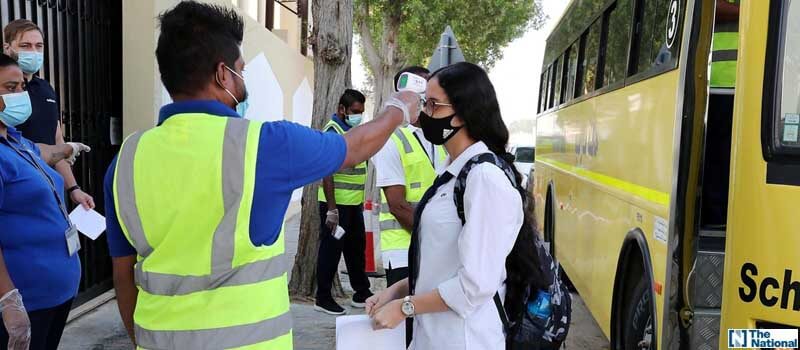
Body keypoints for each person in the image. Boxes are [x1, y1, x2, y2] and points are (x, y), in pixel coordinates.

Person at [103, 2, 420, 349]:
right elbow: (354, 147)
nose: (243, 79)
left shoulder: (126, 160)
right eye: (241, 69)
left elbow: (123, 275)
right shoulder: (265, 145)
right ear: (223, 75)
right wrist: (398, 109)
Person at [366, 62, 529, 349]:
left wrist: (405, 307)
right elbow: (440, 265)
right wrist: (396, 290)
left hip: (465, 339)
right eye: (423, 104)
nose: (423, 114)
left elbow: (474, 286)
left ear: (463, 113)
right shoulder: (452, 172)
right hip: (432, 336)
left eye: (432, 105)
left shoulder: (485, 179)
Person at [0, 53, 90, 350]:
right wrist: (7, 299)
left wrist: (66, 149)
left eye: (21, 87)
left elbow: (41, 152)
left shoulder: (13, 139)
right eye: (10, 88)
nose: (20, 95)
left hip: (56, 294)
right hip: (27, 301)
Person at [3, 20, 94, 210]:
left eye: (39, 46)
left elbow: (56, 141)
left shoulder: (46, 90)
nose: (33, 52)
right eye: (25, 46)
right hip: (18, 190)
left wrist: (74, 188)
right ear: (7, 47)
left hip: (50, 189)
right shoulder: (5, 96)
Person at [315, 89, 373, 315]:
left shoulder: (354, 130)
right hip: (335, 206)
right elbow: (327, 172)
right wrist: (331, 209)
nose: (358, 115)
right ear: (341, 109)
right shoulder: (333, 132)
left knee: (356, 248)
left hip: (353, 204)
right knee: (331, 251)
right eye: (354, 112)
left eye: (361, 112)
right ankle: (322, 298)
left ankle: (361, 292)